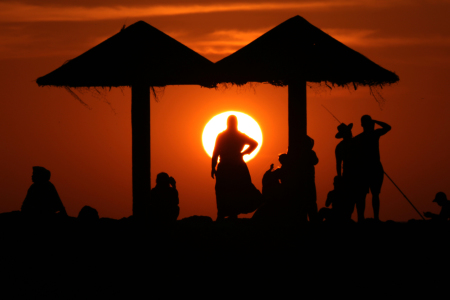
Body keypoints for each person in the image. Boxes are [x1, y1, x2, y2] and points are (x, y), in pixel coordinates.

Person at [211, 115, 261, 220]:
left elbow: (254, 143)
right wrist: (213, 167)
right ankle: (225, 214)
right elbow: (215, 152)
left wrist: (243, 153)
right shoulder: (229, 136)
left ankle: (229, 214)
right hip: (231, 166)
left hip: (231, 167)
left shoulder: (227, 136)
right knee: (224, 190)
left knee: (233, 189)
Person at [353, 115, 391, 221]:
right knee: (371, 195)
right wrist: (375, 121)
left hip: (366, 169)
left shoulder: (358, 138)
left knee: (365, 195)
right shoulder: (374, 134)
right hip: (371, 168)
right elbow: (388, 127)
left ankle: (363, 218)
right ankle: (374, 218)